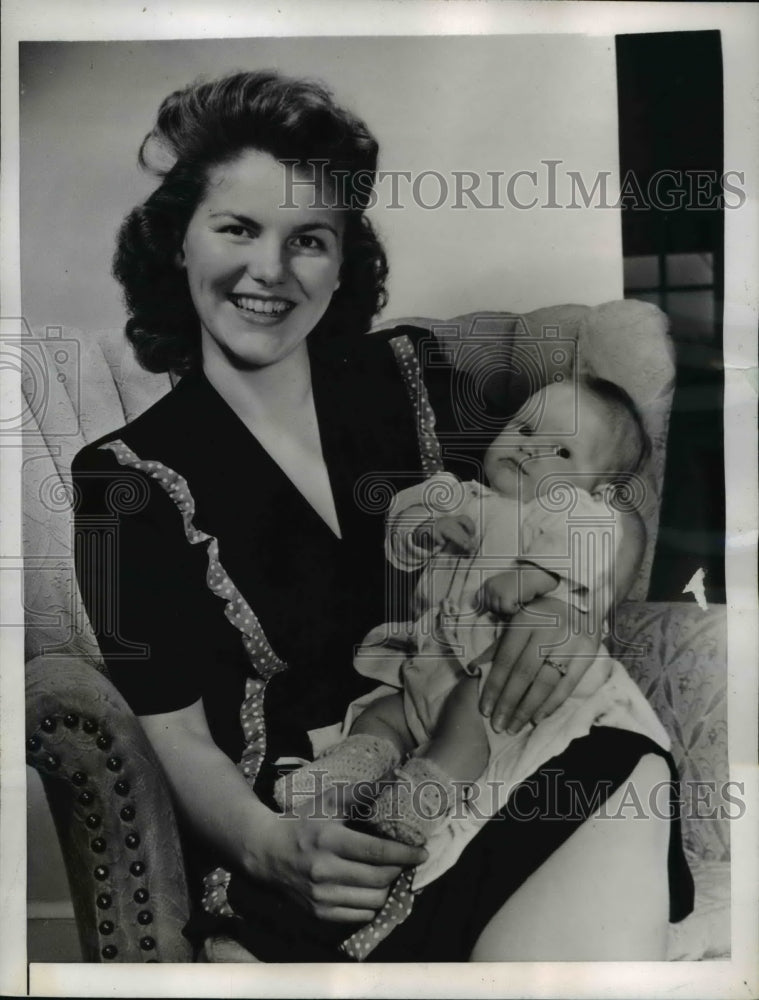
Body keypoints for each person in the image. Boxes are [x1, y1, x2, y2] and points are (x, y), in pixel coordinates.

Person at [72, 69, 693, 963]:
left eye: (309, 239)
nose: (270, 272)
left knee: (619, 787)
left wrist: (575, 597)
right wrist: (265, 847)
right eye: (238, 228)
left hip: (522, 762)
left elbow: (590, 495)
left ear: (341, 259)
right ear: (177, 241)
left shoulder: (412, 374)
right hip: (329, 835)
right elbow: (171, 731)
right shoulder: (119, 482)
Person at [273, 375, 674, 960]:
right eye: (524, 429)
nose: (530, 449)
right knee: (384, 713)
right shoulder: (459, 495)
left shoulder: (568, 516)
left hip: (494, 676)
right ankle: (355, 766)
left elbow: (598, 543)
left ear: (596, 485)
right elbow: (401, 523)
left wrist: (537, 577)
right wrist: (424, 528)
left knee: (468, 714)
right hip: (427, 668)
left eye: (561, 451)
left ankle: (419, 798)